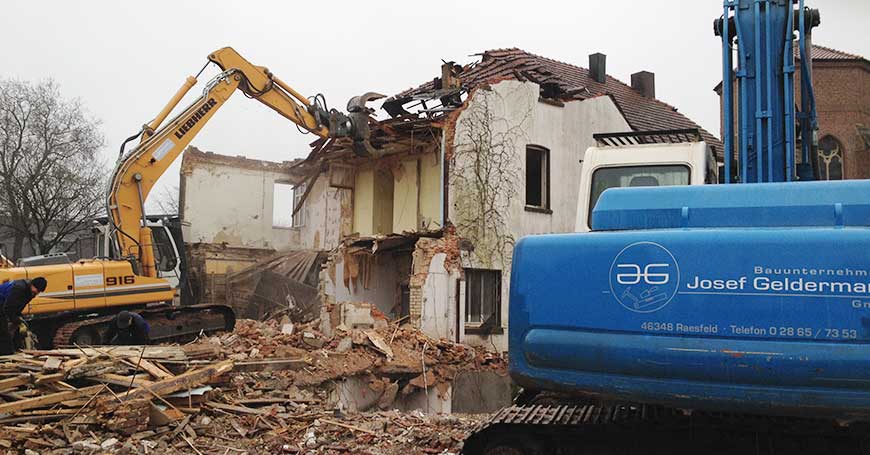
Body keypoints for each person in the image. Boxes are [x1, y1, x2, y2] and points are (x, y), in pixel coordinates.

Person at [0, 277, 46, 355]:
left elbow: (18, 307)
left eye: (39, 292)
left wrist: (19, 320)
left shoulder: (30, 292)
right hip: (2, 305)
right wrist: (17, 320)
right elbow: (8, 309)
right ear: (32, 285)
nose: (37, 293)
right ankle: (7, 355)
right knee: (3, 332)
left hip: (4, 305)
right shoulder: (19, 289)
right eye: (37, 290)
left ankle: (17, 349)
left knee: (16, 330)